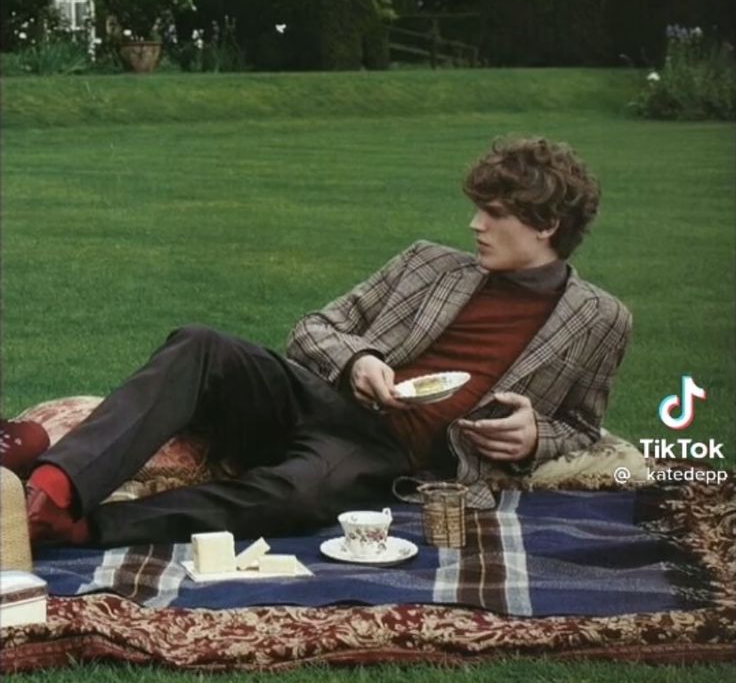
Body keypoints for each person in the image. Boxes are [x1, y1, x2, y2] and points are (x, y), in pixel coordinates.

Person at [18, 136, 636, 548]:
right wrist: (360, 359)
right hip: (325, 399)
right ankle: (51, 492)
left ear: (547, 225)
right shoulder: (429, 263)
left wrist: (532, 436)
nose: (475, 224)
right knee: (201, 343)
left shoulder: (597, 319)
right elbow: (312, 329)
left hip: (389, 454)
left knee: (300, 495)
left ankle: (83, 529)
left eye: (494, 213)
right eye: (478, 209)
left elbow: (580, 425)